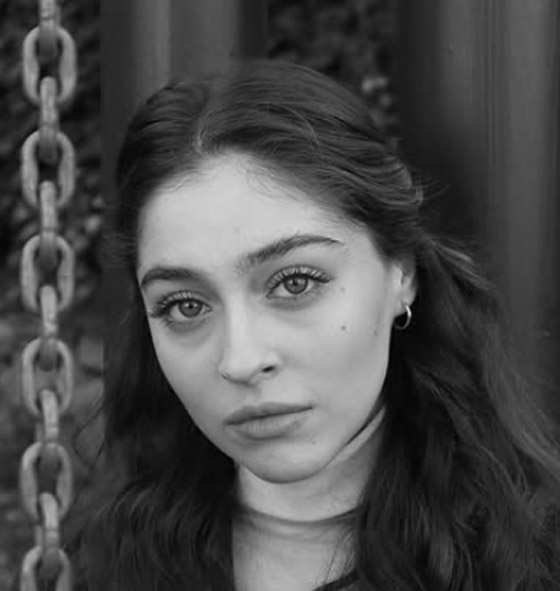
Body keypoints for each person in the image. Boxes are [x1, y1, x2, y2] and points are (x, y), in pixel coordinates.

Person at [77, 60, 560, 591]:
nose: (241, 360)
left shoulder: (534, 557)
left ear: (401, 272)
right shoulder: (116, 559)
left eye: (295, 283)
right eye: (185, 306)